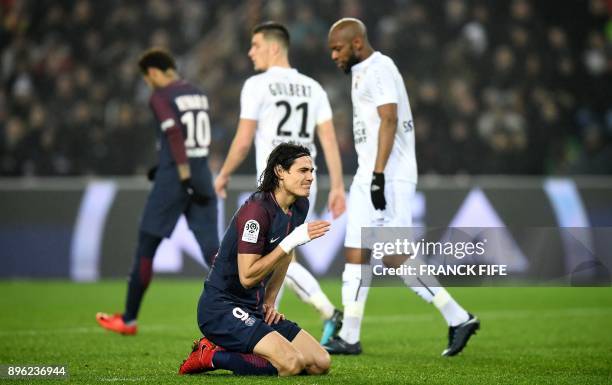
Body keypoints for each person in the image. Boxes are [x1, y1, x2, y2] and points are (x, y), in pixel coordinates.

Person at [323, 18, 480, 356]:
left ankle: (459, 317)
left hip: (389, 175)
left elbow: (389, 118)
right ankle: (349, 336)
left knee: (394, 256)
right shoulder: (361, 71)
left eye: (338, 48)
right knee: (357, 253)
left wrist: (379, 175)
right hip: (368, 173)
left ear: (357, 44)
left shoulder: (380, 67)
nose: (334, 55)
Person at [214, 21, 345, 343]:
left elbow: (244, 140)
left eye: (255, 45)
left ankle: (320, 314)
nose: (250, 52)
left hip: (277, 185)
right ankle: (316, 315)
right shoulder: (313, 87)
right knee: (284, 255)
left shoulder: (258, 85)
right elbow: (329, 140)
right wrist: (338, 185)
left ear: (273, 47)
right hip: (304, 184)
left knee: (273, 256)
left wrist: (225, 173)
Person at [179, 143, 331, 377]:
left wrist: (269, 302)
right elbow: (248, 276)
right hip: (222, 307)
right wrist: (289, 242)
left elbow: (284, 256)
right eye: (303, 171)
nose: (310, 177)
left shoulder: (299, 205)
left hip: (253, 308)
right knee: (291, 364)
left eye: (311, 171)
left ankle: (252, 347)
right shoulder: (257, 212)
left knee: (320, 363)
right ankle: (210, 355)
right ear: (280, 172)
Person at [96, 48, 219, 335]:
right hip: (201, 173)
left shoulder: (160, 96)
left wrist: (180, 175)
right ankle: (246, 306)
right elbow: (195, 138)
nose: (148, 85)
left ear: (152, 73)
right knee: (213, 250)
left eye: (146, 79)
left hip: (176, 177)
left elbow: (175, 133)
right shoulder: (198, 93)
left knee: (146, 246)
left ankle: (128, 319)